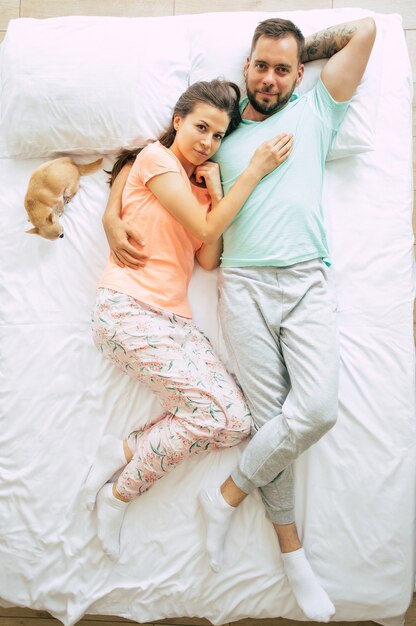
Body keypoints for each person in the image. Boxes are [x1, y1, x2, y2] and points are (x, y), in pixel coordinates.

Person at [103, 15, 376, 623]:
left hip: (306, 279)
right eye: (261, 65)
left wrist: (298, 54)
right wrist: (107, 215)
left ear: (299, 72)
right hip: (244, 284)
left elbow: (363, 33)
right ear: (244, 67)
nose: (271, 78)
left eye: (284, 69)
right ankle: (292, 555)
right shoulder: (219, 136)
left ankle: (225, 496)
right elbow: (148, 156)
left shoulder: (314, 111)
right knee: (268, 421)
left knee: (317, 411)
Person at [85, 79, 293, 561]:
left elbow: (209, 258)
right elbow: (203, 230)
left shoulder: (196, 188)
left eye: (218, 136)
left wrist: (216, 190)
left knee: (236, 421)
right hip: (126, 308)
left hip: (172, 320)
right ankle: (117, 496)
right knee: (216, 416)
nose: (208, 142)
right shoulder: (155, 161)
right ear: (177, 122)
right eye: (202, 127)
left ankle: (124, 452)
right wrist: (254, 171)